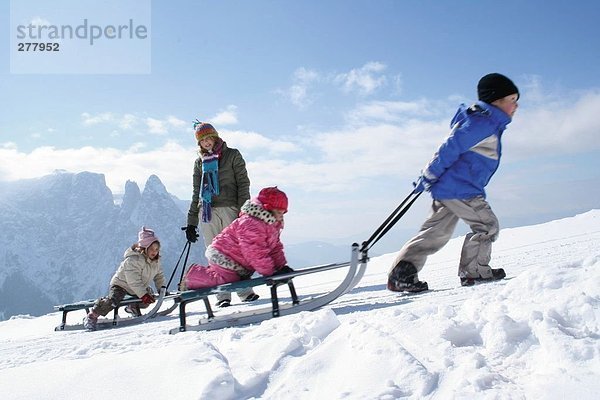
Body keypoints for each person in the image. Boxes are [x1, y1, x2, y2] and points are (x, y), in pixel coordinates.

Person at [388, 73, 519, 293]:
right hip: (462, 189)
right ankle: (474, 271)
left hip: (450, 187)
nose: (516, 106)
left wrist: (430, 177)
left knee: (435, 232)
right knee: (486, 226)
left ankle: (403, 272)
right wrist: (429, 173)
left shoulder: (484, 123)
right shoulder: (482, 124)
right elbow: (449, 149)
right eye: (512, 100)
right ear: (496, 100)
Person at [184, 121, 258, 307]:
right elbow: (196, 192)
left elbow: (243, 184)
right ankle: (222, 295)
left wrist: (243, 211)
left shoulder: (232, 155)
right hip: (207, 213)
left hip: (230, 208)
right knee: (214, 254)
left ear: (216, 137)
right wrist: (192, 222)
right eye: (203, 140)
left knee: (234, 252)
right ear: (199, 144)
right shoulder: (199, 163)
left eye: (209, 138)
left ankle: (244, 291)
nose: (207, 142)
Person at [184, 187, 293, 291]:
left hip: (237, 261)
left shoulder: (271, 226)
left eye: (283, 213)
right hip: (224, 256)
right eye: (279, 212)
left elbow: (274, 249)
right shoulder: (251, 223)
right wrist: (270, 272)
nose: (281, 217)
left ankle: (202, 275)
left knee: (234, 280)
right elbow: (254, 252)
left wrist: (281, 267)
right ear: (268, 209)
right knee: (227, 281)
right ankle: (192, 276)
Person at [83, 227, 166, 331]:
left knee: (149, 298)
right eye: (152, 249)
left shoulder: (155, 262)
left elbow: (159, 276)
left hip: (136, 287)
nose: (155, 252)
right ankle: (92, 315)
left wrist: (162, 289)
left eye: (157, 249)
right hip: (121, 285)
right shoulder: (134, 259)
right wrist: (143, 295)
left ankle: (132, 307)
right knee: (114, 301)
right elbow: (133, 280)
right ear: (145, 248)